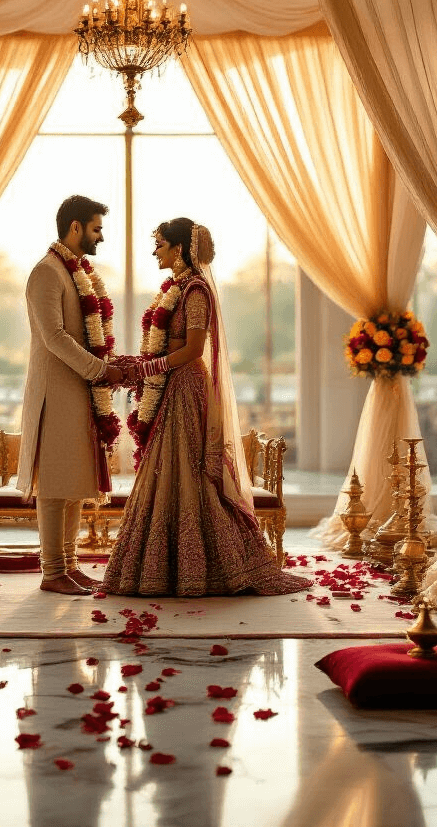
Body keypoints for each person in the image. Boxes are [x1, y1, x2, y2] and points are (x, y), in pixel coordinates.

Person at [101, 218, 311, 597]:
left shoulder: (195, 291)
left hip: (186, 387)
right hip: (171, 384)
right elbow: (167, 346)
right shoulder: (175, 289)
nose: (155, 251)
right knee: (166, 464)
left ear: (180, 249)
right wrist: (141, 363)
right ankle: (164, 566)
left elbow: (194, 349)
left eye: (161, 244)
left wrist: (149, 366)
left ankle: (203, 566)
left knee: (189, 466)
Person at [18, 196, 124, 596]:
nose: (101, 236)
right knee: (55, 485)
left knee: (75, 480)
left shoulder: (77, 271)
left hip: (78, 391)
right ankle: (52, 571)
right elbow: (55, 337)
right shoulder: (46, 273)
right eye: (96, 228)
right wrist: (100, 369)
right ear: (75, 227)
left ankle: (70, 563)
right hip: (55, 392)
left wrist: (105, 365)